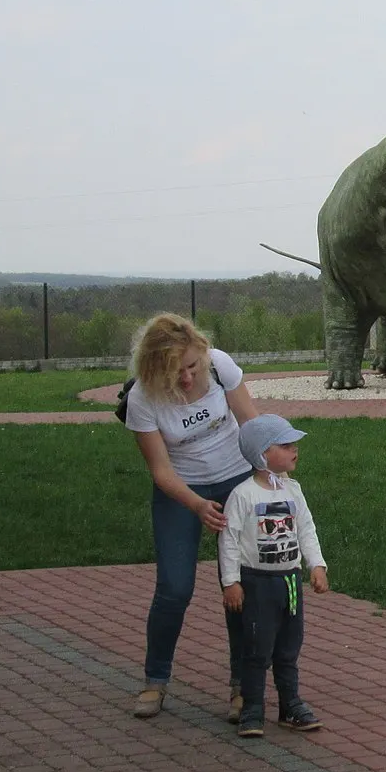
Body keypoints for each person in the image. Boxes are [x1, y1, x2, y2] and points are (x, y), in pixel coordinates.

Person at [123, 313, 260, 719]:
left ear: (203, 354)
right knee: (174, 588)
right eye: (173, 371)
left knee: (238, 584)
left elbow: (252, 425)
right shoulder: (143, 399)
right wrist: (197, 505)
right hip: (182, 491)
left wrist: (267, 480)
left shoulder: (220, 365)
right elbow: (161, 472)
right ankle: (155, 680)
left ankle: (242, 686)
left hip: (236, 479)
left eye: (191, 367)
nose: (185, 379)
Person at [219, 413, 329, 737]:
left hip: (289, 581)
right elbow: (229, 541)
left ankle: (290, 704)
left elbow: (306, 529)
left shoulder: (293, 491)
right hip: (257, 583)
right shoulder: (243, 496)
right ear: (263, 453)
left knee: (288, 647)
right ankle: (252, 707)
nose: (295, 449)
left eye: (294, 444)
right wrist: (231, 582)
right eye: (286, 445)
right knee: (257, 647)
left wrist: (317, 565)